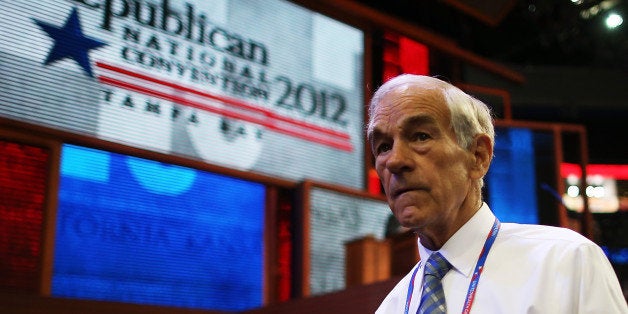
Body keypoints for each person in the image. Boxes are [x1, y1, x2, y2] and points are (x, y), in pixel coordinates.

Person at [367, 74, 627, 313]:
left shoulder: (566, 263)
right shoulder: (391, 307)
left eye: (421, 136)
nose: (394, 161)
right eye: (383, 146)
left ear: (478, 155)